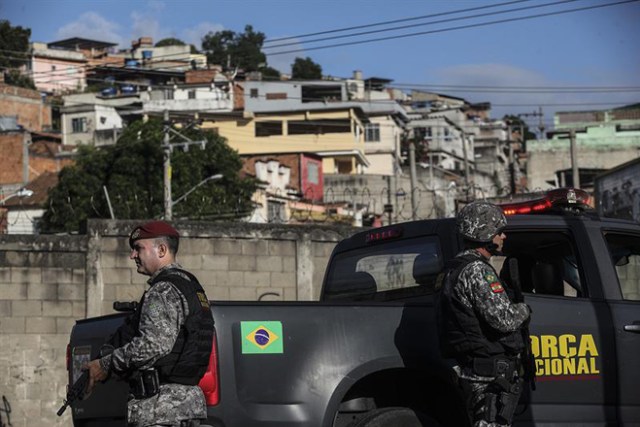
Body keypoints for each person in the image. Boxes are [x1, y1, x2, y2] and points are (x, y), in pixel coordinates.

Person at [86, 220, 214, 427]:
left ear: (162, 249)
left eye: (138, 248)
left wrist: (105, 363)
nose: (132, 255)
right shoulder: (191, 287)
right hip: (185, 408)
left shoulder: (162, 291)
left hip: (160, 409)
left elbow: (153, 345)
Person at [436, 201, 531, 427]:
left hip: (470, 368)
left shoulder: (452, 268)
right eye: (500, 232)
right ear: (485, 233)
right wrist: (525, 309)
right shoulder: (476, 270)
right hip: (486, 374)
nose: (503, 237)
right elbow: (504, 320)